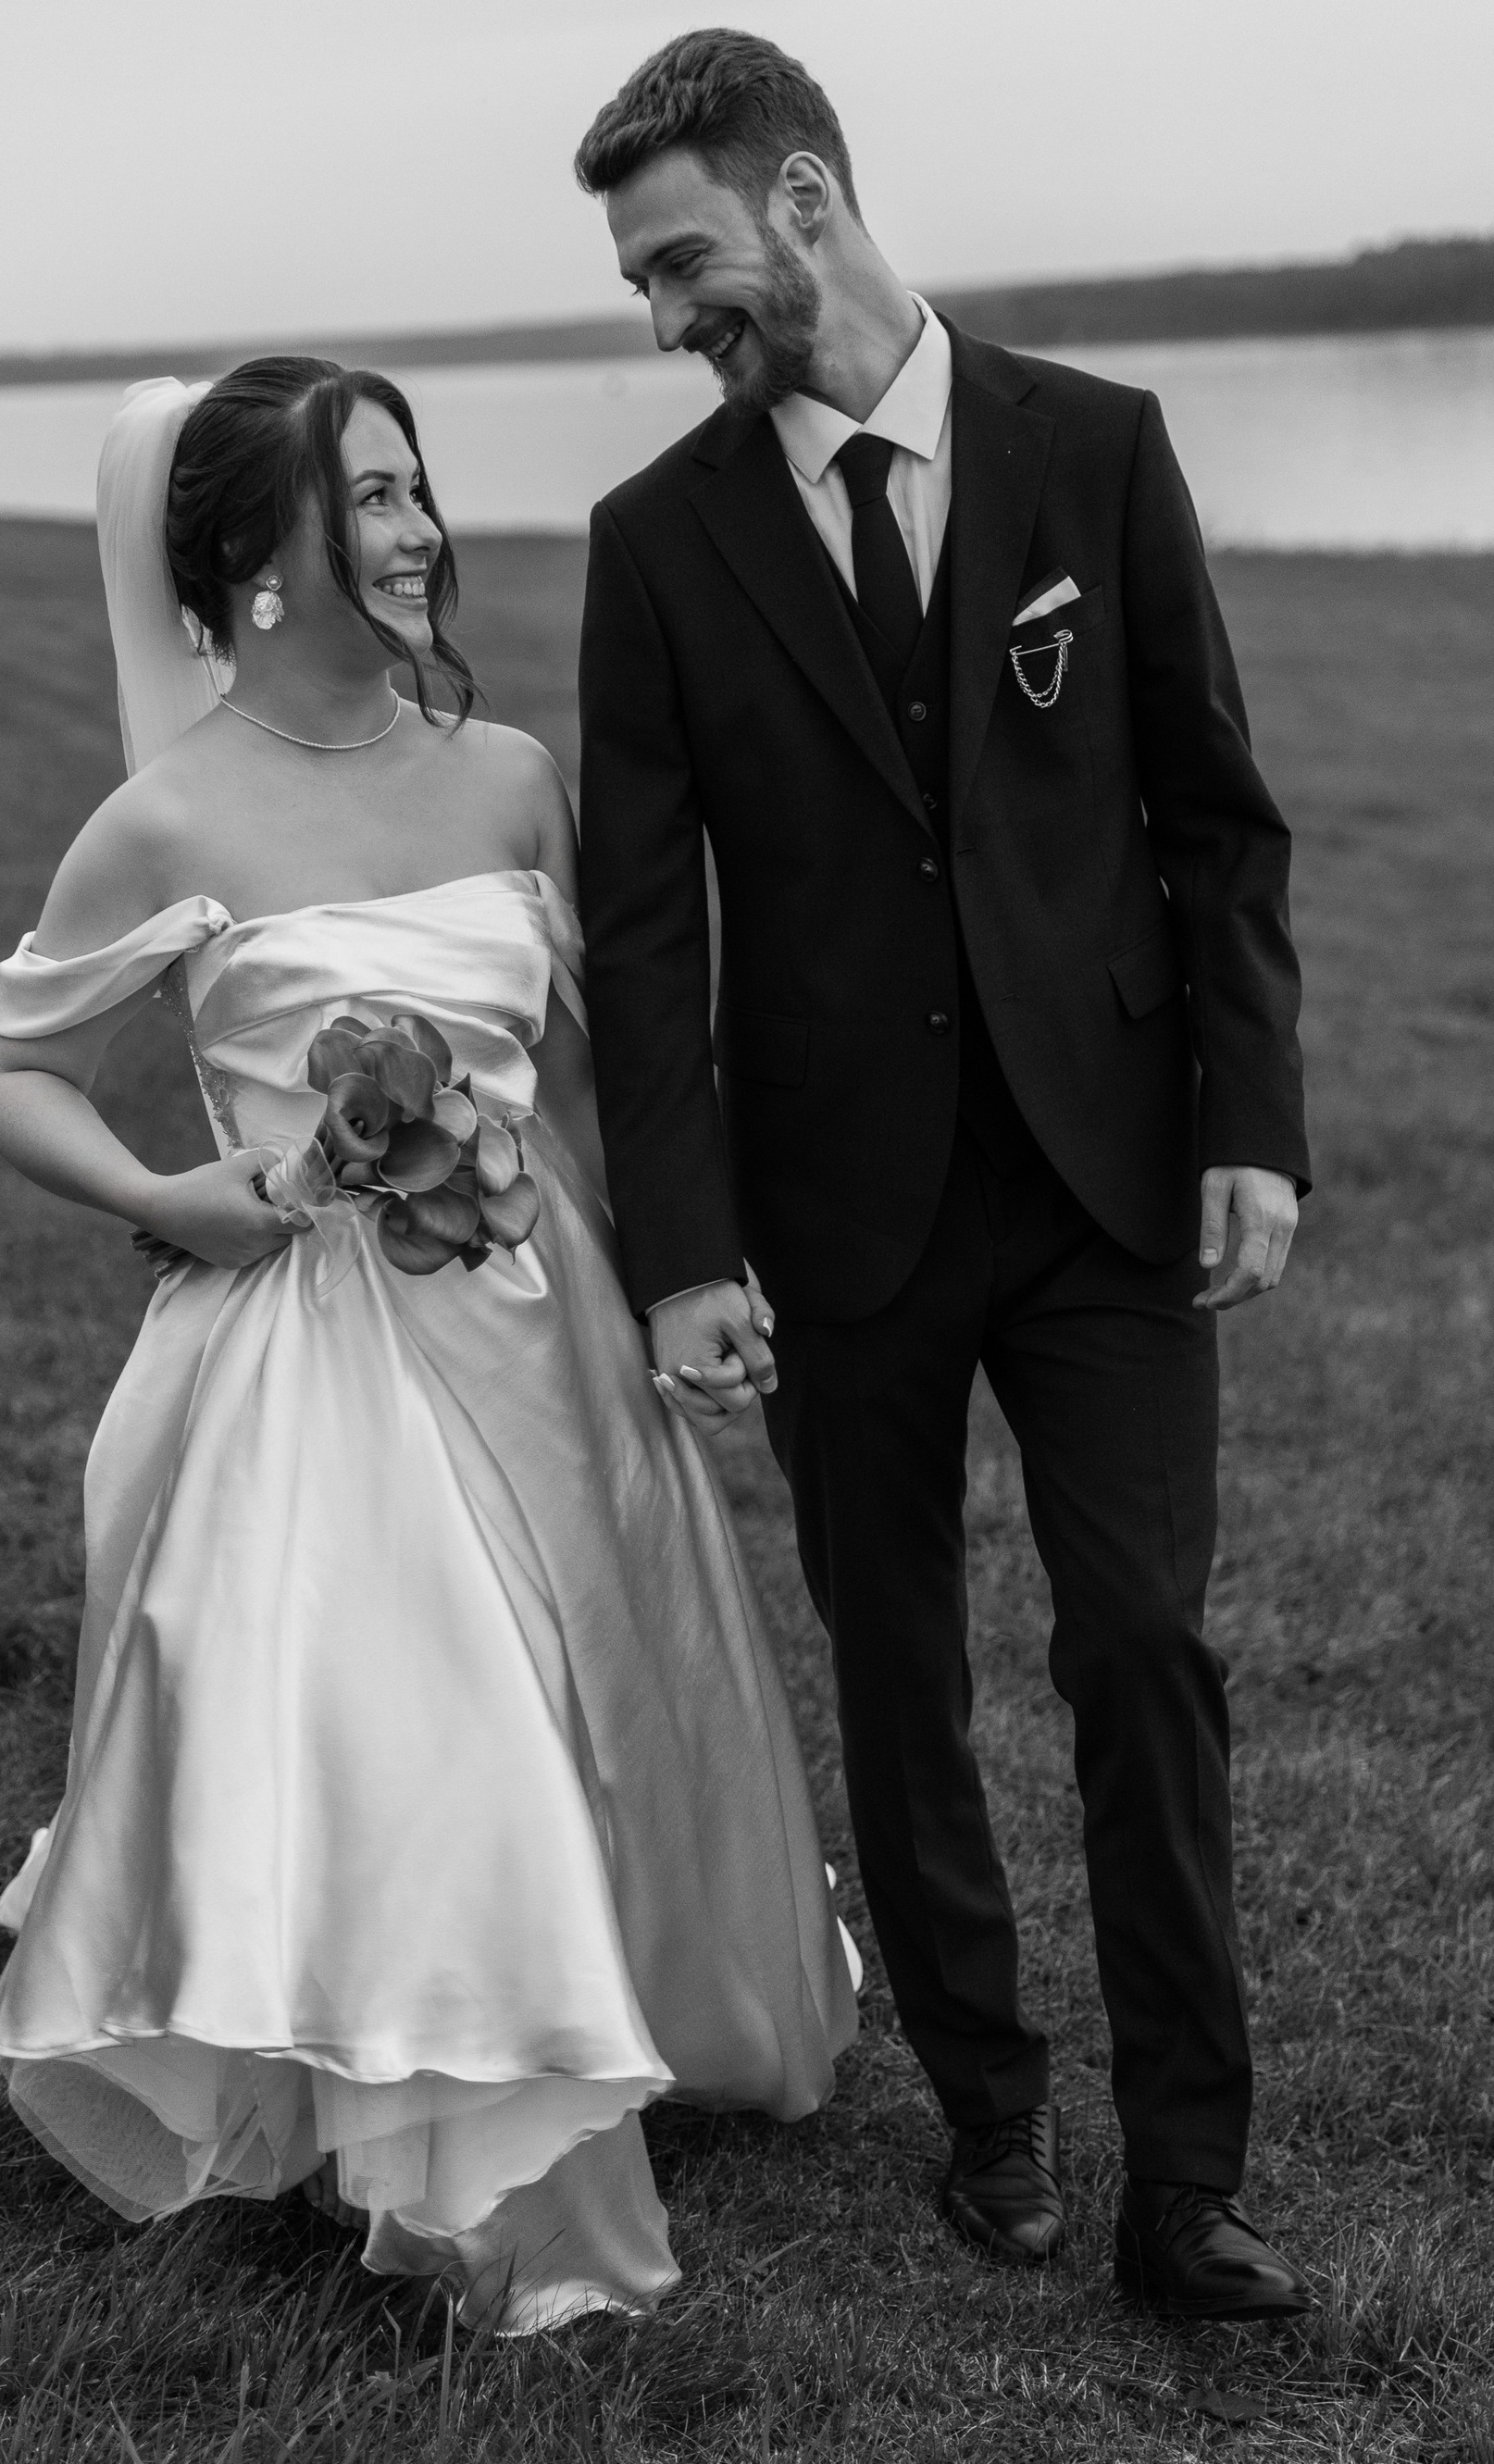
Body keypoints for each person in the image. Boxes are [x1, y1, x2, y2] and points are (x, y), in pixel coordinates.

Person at [0, 356, 857, 2333]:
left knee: (601, 1679)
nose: (419, 531)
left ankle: (628, 1990)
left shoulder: (512, 775)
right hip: (319, 1361)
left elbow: (602, 1071)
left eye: (414, 487)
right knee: (434, 1725)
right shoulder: (165, 818)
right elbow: (13, 1073)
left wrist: (683, 1275)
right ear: (258, 566)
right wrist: (173, 1190)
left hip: (545, 1326)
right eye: (369, 499)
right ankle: (464, 2130)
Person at [572, 31, 1313, 2318]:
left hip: (1105, 1177)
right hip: (838, 1214)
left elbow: (1216, 816)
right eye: (638, 282)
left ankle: (1187, 2178)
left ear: (804, 199)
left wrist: (1253, 1121)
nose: (665, 316)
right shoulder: (654, 544)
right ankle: (991, 2105)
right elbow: (643, 935)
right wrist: (685, 1249)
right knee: (897, 1675)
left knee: (1145, 1643)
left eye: (681, 260)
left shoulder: (1098, 445)